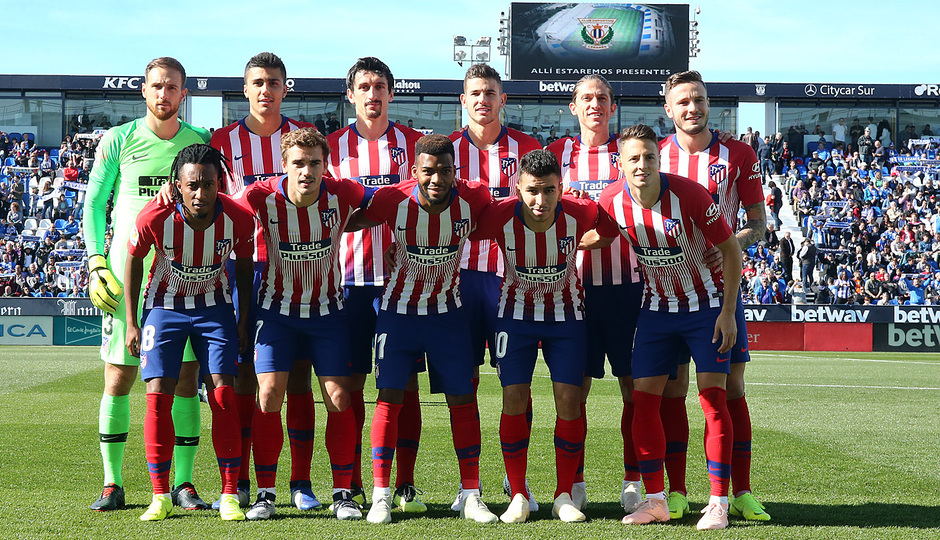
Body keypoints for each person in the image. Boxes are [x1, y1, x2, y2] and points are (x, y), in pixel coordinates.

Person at [596, 123, 742, 530]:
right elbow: (597, 236)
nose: (642, 165)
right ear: (620, 163)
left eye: (649, 157)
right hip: (656, 311)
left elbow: (731, 251)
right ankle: (657, 500)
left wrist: (728, 311)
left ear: (658, 159)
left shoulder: (690, 194)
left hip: (705, 308)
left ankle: (718, 503)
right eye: (633, 158)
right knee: (645, 402)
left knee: (713, 400)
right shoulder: (611, 200)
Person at [347, 134, 498, 525]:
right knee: (389, 398)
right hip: (397, 314)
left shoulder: (475, 197)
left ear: (455, 171)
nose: (436, 178)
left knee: (463, 400)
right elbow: (348, 218)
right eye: (428, 171)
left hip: (449, 314)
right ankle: (381, 494)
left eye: (445, 170)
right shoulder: (391, 199)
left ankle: (470, 493)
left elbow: (506, 216)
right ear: (414, 171)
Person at [84, 57, 211, 512]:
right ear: (144, 90)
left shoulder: (200, 143)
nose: (163, 94)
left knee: (185, 380)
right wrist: (98, 260)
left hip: (185, 280)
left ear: (184, 94)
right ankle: (112, 484)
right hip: (126, 279)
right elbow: (94, 205)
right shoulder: (118, 140)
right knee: (119, 377)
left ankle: (184, 484)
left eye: (172, 87)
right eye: (156, 86)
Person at [208, 51, 321, 513]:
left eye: (273, 82)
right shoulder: (223, 140)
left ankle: (299, 482)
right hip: (240, 271)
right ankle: (240, 482)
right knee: (240, 378)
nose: (265, 90)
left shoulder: (302, 140)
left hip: (292, 272)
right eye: (257, 82)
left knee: (294, 378)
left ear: (284, 87)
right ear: (245, 88)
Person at [237, 128, 367, 521]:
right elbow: (220, 209)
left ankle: (343, 492)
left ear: (325, 165)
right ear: (284, 165)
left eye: (314, 163)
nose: (307, 170)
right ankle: (265, 492)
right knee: (269, 393)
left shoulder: (343, 193)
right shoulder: (261, 197)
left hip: (329, 313)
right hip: (276, 313)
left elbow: (389, 202)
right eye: (299, 163)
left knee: (339, 398)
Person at [657, 70, 769, 523]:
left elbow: (759, 223)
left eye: (698, 99)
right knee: (674, 388)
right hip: (667, 291)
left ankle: (739, 491)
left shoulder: (738, 154)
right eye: (682, 101)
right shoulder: (655, 157)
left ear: (709, 103)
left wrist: (727, 244)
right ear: (669, 109)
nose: (692, 108)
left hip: (721, 290)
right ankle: (678, 491)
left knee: (731, 388)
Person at [471, 149, 604, 524]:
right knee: (513, 398)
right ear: (518, 188)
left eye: (548, 190)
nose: (540, 200)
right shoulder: (500, 214)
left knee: (569, 400)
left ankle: (564, 495)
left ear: (561, 188)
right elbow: (464, 223)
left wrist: (581, 243)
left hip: (567, 318)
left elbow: (609, 230)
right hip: (514, 318)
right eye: (532, 190)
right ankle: (518, 494)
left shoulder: (580, 212)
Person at [124, 144, 254, 521]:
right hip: (164, 310)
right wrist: (133, 322)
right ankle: (160, 496)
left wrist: (243, 320)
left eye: (209, 185)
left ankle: (229, 495)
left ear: (220, 184)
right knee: (157, 398)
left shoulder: (239, 219)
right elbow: (134, 261)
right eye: (192, 185)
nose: (201, 194)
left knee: (224, 396)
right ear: (177, 185)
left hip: (214, 311)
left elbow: (244, 269)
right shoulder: (155, 216)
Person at [325, 57, 424, 510]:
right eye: (363, 86)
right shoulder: (330, 149)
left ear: (390, 92)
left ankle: (404, 484)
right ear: (351, 94)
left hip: (402, 285)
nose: (372, 93)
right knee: (350, 385)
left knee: (402, 386)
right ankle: (353, 483)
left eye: (380, 85)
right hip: (345, 282)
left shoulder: (415, 145)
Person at [546, 74, 644, 514]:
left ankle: (633, 480)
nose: (595, 104)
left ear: (613, 106)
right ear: (573, 107)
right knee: (573, 391)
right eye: (586, 97)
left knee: (634, 390)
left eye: (602, 98)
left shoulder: (629, 154)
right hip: (572, 293)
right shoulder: (556, 155)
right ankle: (575, 482)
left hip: (627, 288)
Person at [447, 63, 542, 512]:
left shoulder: (528, 149)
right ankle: (470, 486)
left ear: (503, 99)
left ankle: (515, 480)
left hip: (512, 284)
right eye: (474, 93)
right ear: (462, 101)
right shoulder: (444, 152)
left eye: (490, 92)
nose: (482, 99)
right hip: (456, 283)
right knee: (462, 386)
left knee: (515, 385)